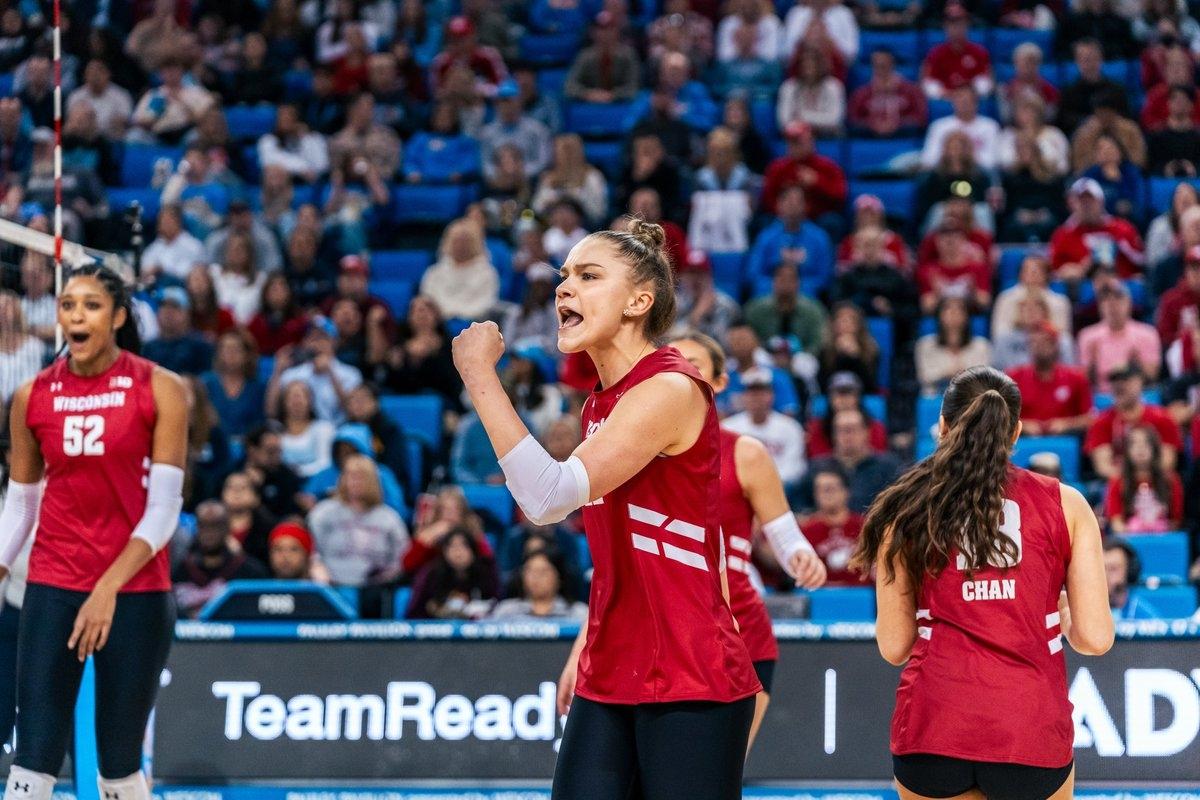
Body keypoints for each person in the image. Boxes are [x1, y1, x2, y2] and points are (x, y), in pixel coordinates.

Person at [450, 220, 761, 799]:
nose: (566, 287)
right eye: (564, 276)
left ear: (639, 301)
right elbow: (622, 556)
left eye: (589, 276)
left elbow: (546, 498)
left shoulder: (670, 388)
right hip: (612, 668)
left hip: (690, 672)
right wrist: (585, 645)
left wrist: (477, 374)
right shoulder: (601, 402)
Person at [852, 366, 1113, 798]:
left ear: (942, 426)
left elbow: (894, 646)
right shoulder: (1066, 504)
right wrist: (1063, 616)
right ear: (1015, 434)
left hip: (934, 723)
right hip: (1028, 727)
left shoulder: (909, 508)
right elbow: (1096, 639)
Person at [0, 264, 188, 800]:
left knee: (119, 766)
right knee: (31, 763)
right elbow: (21, 506)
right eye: (67, 305)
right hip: (54, 585)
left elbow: (165, 509)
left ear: (118, 316)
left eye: (91, 305)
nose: (76, 315)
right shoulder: (32, 395)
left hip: (134, 593)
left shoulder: (160, 388)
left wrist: (105, 588)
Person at [673, 331, 827, 750]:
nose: (682, 372)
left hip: (738, 624)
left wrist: (802, 556)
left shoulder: (745, 452)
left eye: (695, 365)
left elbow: (785, 535)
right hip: (660, 620)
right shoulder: (633, 448)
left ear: (721, 383)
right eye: (672, 363)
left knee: (718, 771)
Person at [306, 454, 410, 591]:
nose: (356, 482)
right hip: (331, 589)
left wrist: (386, 578)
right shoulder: (324, 512)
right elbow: (311, 550)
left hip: (375, 591)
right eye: (351, 477)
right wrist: (317, 569)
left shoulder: (389, 518)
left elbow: (402, 556)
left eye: (362, 477)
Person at [171, 499, 270, 618]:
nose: (209, 533)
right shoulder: (179, 570)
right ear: (196, 528)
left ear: (227, 528)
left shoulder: (250, 571)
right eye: (204, 526)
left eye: (215, 526)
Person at [1084, 365, 1183, 480]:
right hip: (1119, 482)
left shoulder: (1162, 418)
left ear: (1139, 381)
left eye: (1125, 380)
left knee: (1172, 480)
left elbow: (1167, 461)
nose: (1119, 385)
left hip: (1156, 481)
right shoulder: (1101, 421)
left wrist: (1144, 479)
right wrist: (1131, 482)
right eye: (1114, 381)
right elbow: (1103, 467)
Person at [722, 367, 807, 494]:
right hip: (740, 490)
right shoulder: (728, 427)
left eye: (761, 392)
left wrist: (766, 485)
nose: (756, 397)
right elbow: (723, 465)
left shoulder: (791, 427)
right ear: (744, 396)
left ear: (771, 395)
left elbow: (795, 467)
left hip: (781, 490)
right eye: (752, 392)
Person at [801, 408, 901, 513]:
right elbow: (801, 505)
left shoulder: (889, 466)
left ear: (866, 431)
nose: (847, 435)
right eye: (841, 430)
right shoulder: (818, 467)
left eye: (852, 429)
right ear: (833, 434)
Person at [1048, 178, 1145, 282]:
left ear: (1101, 201)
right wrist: (1072, 270)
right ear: (1072, 204)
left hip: (1121, 285)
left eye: (1090, 200)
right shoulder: (1063, 234)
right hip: (1080, 290)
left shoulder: (1122, 228)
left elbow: (1142, 261)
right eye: (1081, 201)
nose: (1086, 206)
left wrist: (1120, 244)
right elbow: (1052, 271)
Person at [270, 316, 363, 424]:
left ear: (334, 342)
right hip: (300, 433)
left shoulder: (351, 373)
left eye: (323, 338)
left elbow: (352, 412)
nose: (317, 344)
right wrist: (277, 371)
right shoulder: (292, 374)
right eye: (312, 338)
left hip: (339, 432)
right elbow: (272, 411)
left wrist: (331, 373)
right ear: (305, 343)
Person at [1007, 322, 1095, 436]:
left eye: (1045, 342)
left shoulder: (1077, 378)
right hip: (1024, 440)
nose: (1039, 347)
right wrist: (1023, 424)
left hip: (1065, 439)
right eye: (1034, 342)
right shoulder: (1013, 378)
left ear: (1056, 345)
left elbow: (1089, 419)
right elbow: (1002, 417)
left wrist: (1067, 424)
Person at [1077, 283, 1162, 391]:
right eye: (1106, 300)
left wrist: (1135, 363)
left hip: (1139, 395)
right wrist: (1092, 363)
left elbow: (1152, 376)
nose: (1112, 304)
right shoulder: (1087, 336)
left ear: (1129, 303)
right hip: (1101, 397)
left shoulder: (1147, 333)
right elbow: (1083, 381)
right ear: (1099, 306)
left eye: (1118, 298)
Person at [1104, 426, 1184, 534]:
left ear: (1155, 449)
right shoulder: (1117, 482)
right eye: (1134, 444)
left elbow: (1175, 521)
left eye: (1146, 444)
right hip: (1130, 538)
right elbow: (1116, 523)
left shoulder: (1171, 480)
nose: (1140, 448)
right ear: (1127, 451)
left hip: (1163, 538)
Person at [418, 218, 501, 322]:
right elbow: (428, 300)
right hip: (440, 325)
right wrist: (447, 314)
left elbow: (487, 303)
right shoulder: (434, 272)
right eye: (457, 241)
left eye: (466, 241)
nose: (461, 245)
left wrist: (460, 315)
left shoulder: (488, 273)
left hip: (474, 324)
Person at [798, 468, 865, 586]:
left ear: (846, 491)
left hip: (860, 595)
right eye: (821, 490)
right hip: (819, 595)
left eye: (831, 489)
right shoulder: (807, 529)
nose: (826, 495)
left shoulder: (863, 526)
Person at [916, 297, 993, 394]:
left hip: (972, 398)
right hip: (935, 397)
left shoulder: (982, 345)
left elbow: (984, 379)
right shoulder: (925, 344)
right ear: (939, 316)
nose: (953, 312)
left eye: (959, 309)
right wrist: (948, 373)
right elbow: (925, 377)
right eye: (947, 309)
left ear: (967, 316)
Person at [564, 11, 640, 103]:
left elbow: (633, 87)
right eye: (601, 29)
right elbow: (569, 86)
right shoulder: (584, 56)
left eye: (609, 28)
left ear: (617, 31)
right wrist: (588, 94)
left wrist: (612, 95)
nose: (605, 34)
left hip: (620, 106)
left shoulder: (628, 55)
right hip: (591, 106)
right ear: (593, 32)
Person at [848, 48, 927, 137]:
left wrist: (897, 124)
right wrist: (873, 125)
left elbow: (920, 118)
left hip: (902, 136)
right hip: (871, 137)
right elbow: (853, 119)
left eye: (884, 65)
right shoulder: (861, 93)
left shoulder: (911, 91)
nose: (880, 68)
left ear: (893, 64)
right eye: (876, 65)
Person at [1103, 537, 1161, 620]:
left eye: (1113, 569)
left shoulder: (1146, 618)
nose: (1105, 575)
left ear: (1130, 572)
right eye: (1102, 568)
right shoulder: (1084, 613)